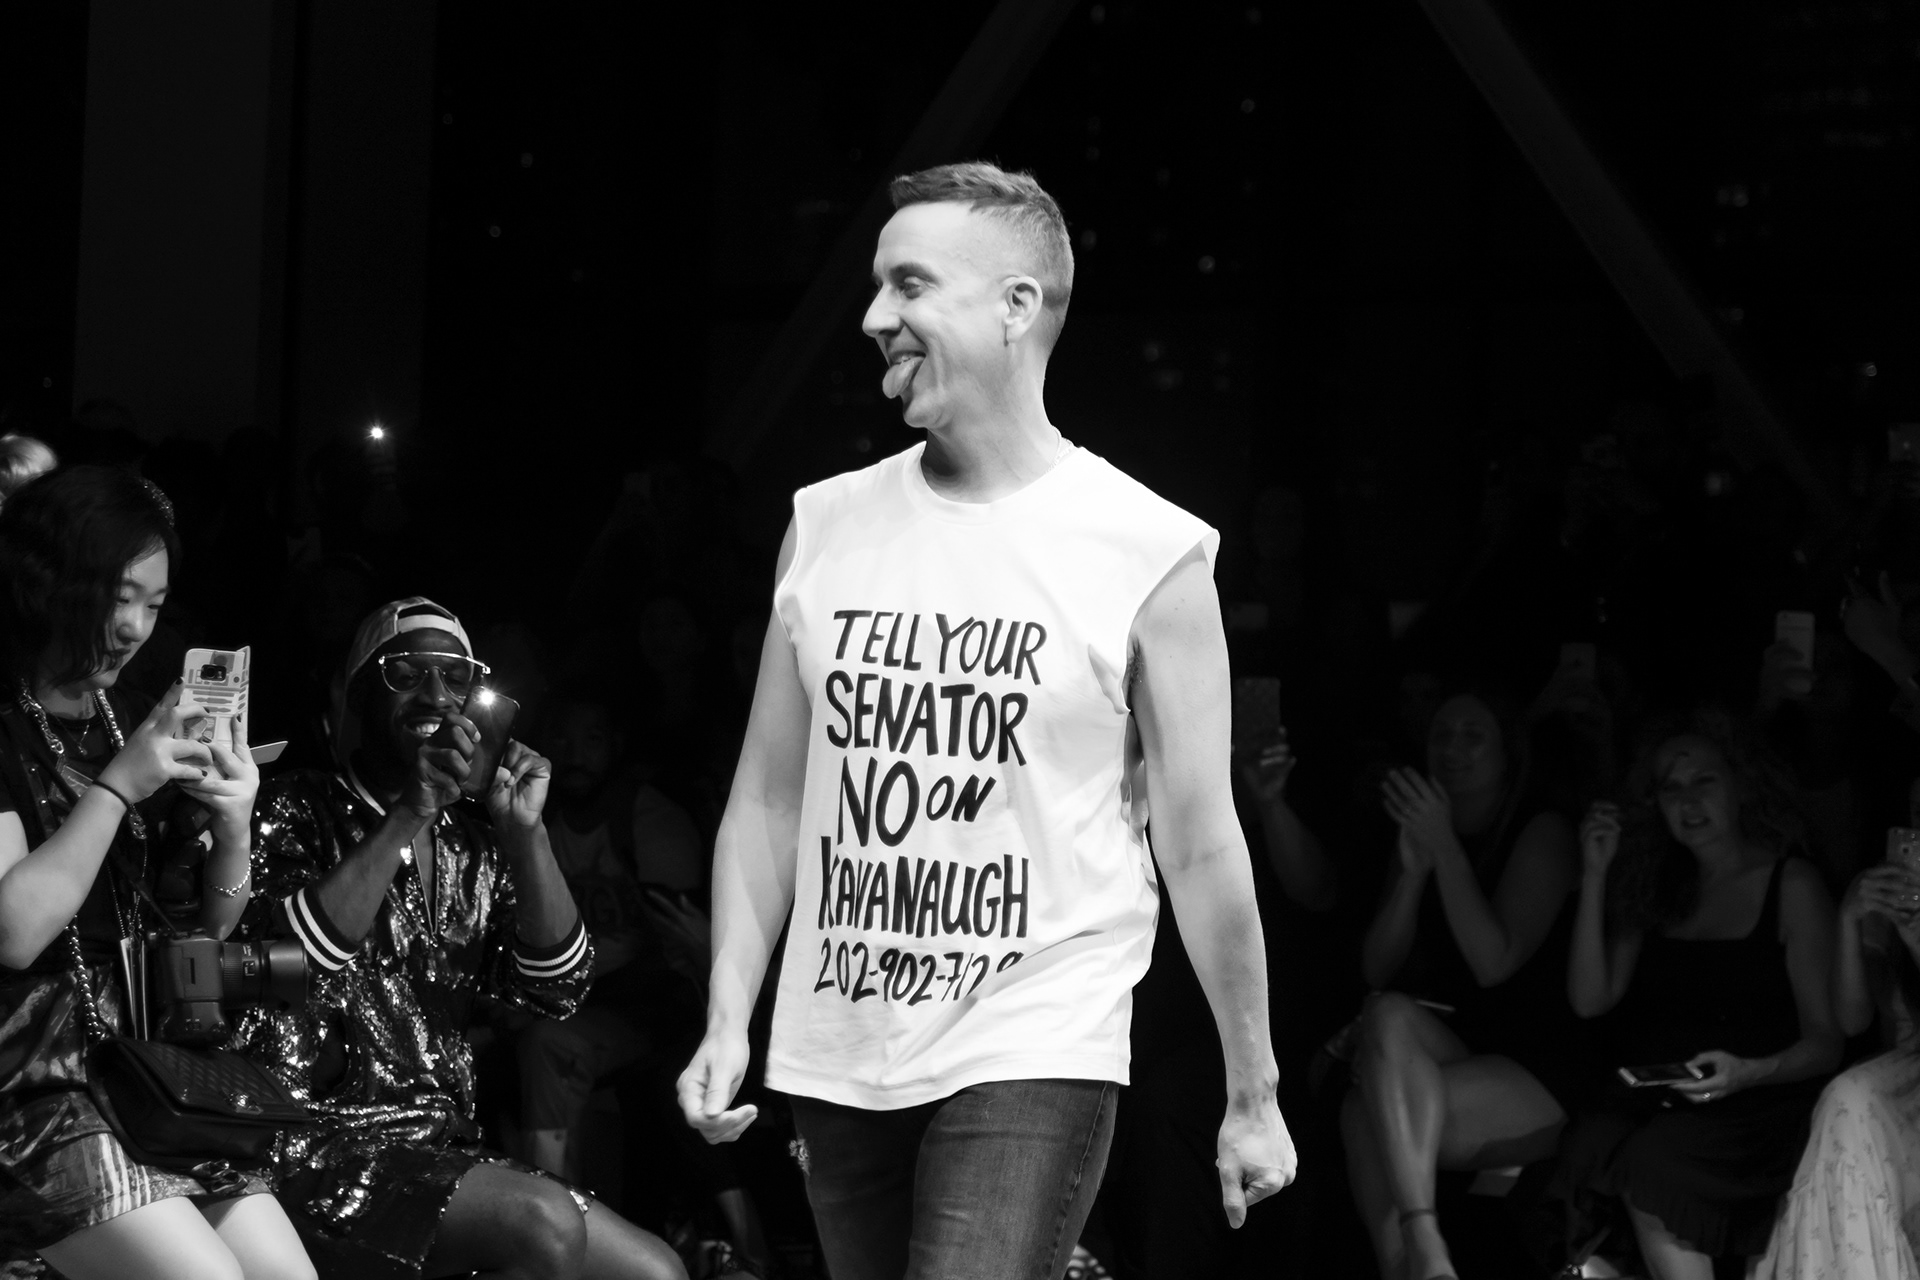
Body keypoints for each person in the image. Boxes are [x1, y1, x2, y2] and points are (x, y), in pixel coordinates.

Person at [676, 160, 1295, 1280]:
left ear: (1017, 306)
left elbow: (1203, 842)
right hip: (840, 1045)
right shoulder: (826, 525)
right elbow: (768, 796)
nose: (874, 317)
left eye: (909, 284)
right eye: (878, 286)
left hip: (1036, 1038)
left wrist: (1253, 1089)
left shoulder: (1148, 552)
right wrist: (729, 1014)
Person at [232, 598, 685, 1280]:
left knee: (654, 1272)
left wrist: (524, 831)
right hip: (317, 1142)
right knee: (543, 1227)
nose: (436, 694)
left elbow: (558, 987)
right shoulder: (294, 804)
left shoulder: (473, 842)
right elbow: (292, 964)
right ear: (359, 693)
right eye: (406, 673)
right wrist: (410, 811)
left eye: (455, 677)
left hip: (439, 1145)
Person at [0, 467, 314, 1280]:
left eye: (156, 603)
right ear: (49, 583)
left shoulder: (130, 717)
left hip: (149, 1073)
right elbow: (16, 931)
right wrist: (115, 789)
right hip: (31, 1088)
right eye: (120, 597)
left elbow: (208, 928)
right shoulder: (10, 728)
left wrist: (234, 826)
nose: (136, 627)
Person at [1557, 713, 1840, 1279]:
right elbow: (1590, 998)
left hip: (1759, 1104)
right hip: (1667, 1095)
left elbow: (1826, 1042)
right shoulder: (1656, 883)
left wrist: (1748, 1072)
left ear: (1740, 786)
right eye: (1671, 788)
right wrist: (1595, 876)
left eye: (1703, 780)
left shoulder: (1791, 884)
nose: (1688, 801)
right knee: (1590, 1141)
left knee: (1653, 1160)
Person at [515, 687, 770, 1273]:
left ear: (617, 745)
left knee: (552, 1045)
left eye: (592, 739)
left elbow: (675, 951)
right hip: (565, 1004)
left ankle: (558, 1240)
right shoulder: (530, 816)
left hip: (653, 1012)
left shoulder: (648, 819)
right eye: (563, 738)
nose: (575, 754)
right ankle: (541, 1233)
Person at [1343, 686, 1580, 1280]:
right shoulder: (1423, 831)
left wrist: (1445, 847)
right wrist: (1411, 875)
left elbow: (1493, 962)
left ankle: (1417, 1254)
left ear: (1507, 754)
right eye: (1442, 734)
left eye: (1473, 736)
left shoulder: (1542, 831)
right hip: (1463, 1045)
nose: (1453, 748)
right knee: (1386, 1012)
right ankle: (1424, 1254)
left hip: (1541, 1062)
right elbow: (1376, 969)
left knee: (1366, 1110)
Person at [1753, 856, 1920, 1277]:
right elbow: (1851, 1020)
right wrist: (1849, 919)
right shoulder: (1891, 889)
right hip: (1903, 1072)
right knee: (1846, 1101)